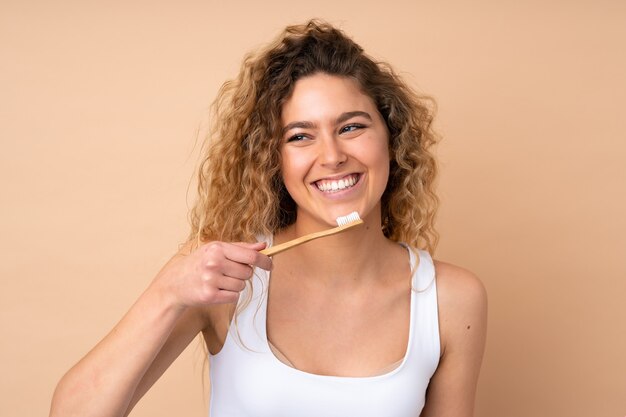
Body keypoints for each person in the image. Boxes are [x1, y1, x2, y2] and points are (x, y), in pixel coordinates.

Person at [50, 19, 487, 417]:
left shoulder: (450, 300)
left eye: (351, 127)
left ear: (391, 138)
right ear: (272, 160)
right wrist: (168, 292)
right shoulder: (223, 276)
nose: (333, 156)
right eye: (300, 136)